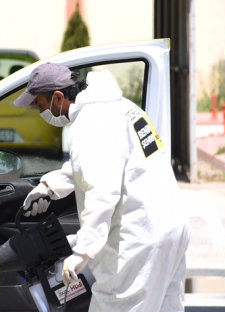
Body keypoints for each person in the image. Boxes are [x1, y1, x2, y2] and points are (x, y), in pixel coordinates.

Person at [12, 63, 190, 311]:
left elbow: (102, 192)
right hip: (170, 229)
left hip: (140, 238)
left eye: (40, 105)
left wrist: (82, 253)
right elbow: (100, 164)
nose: (40, 112)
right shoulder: (118, 107)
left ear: (58, 97)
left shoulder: (91, 123)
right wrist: (49, 186)